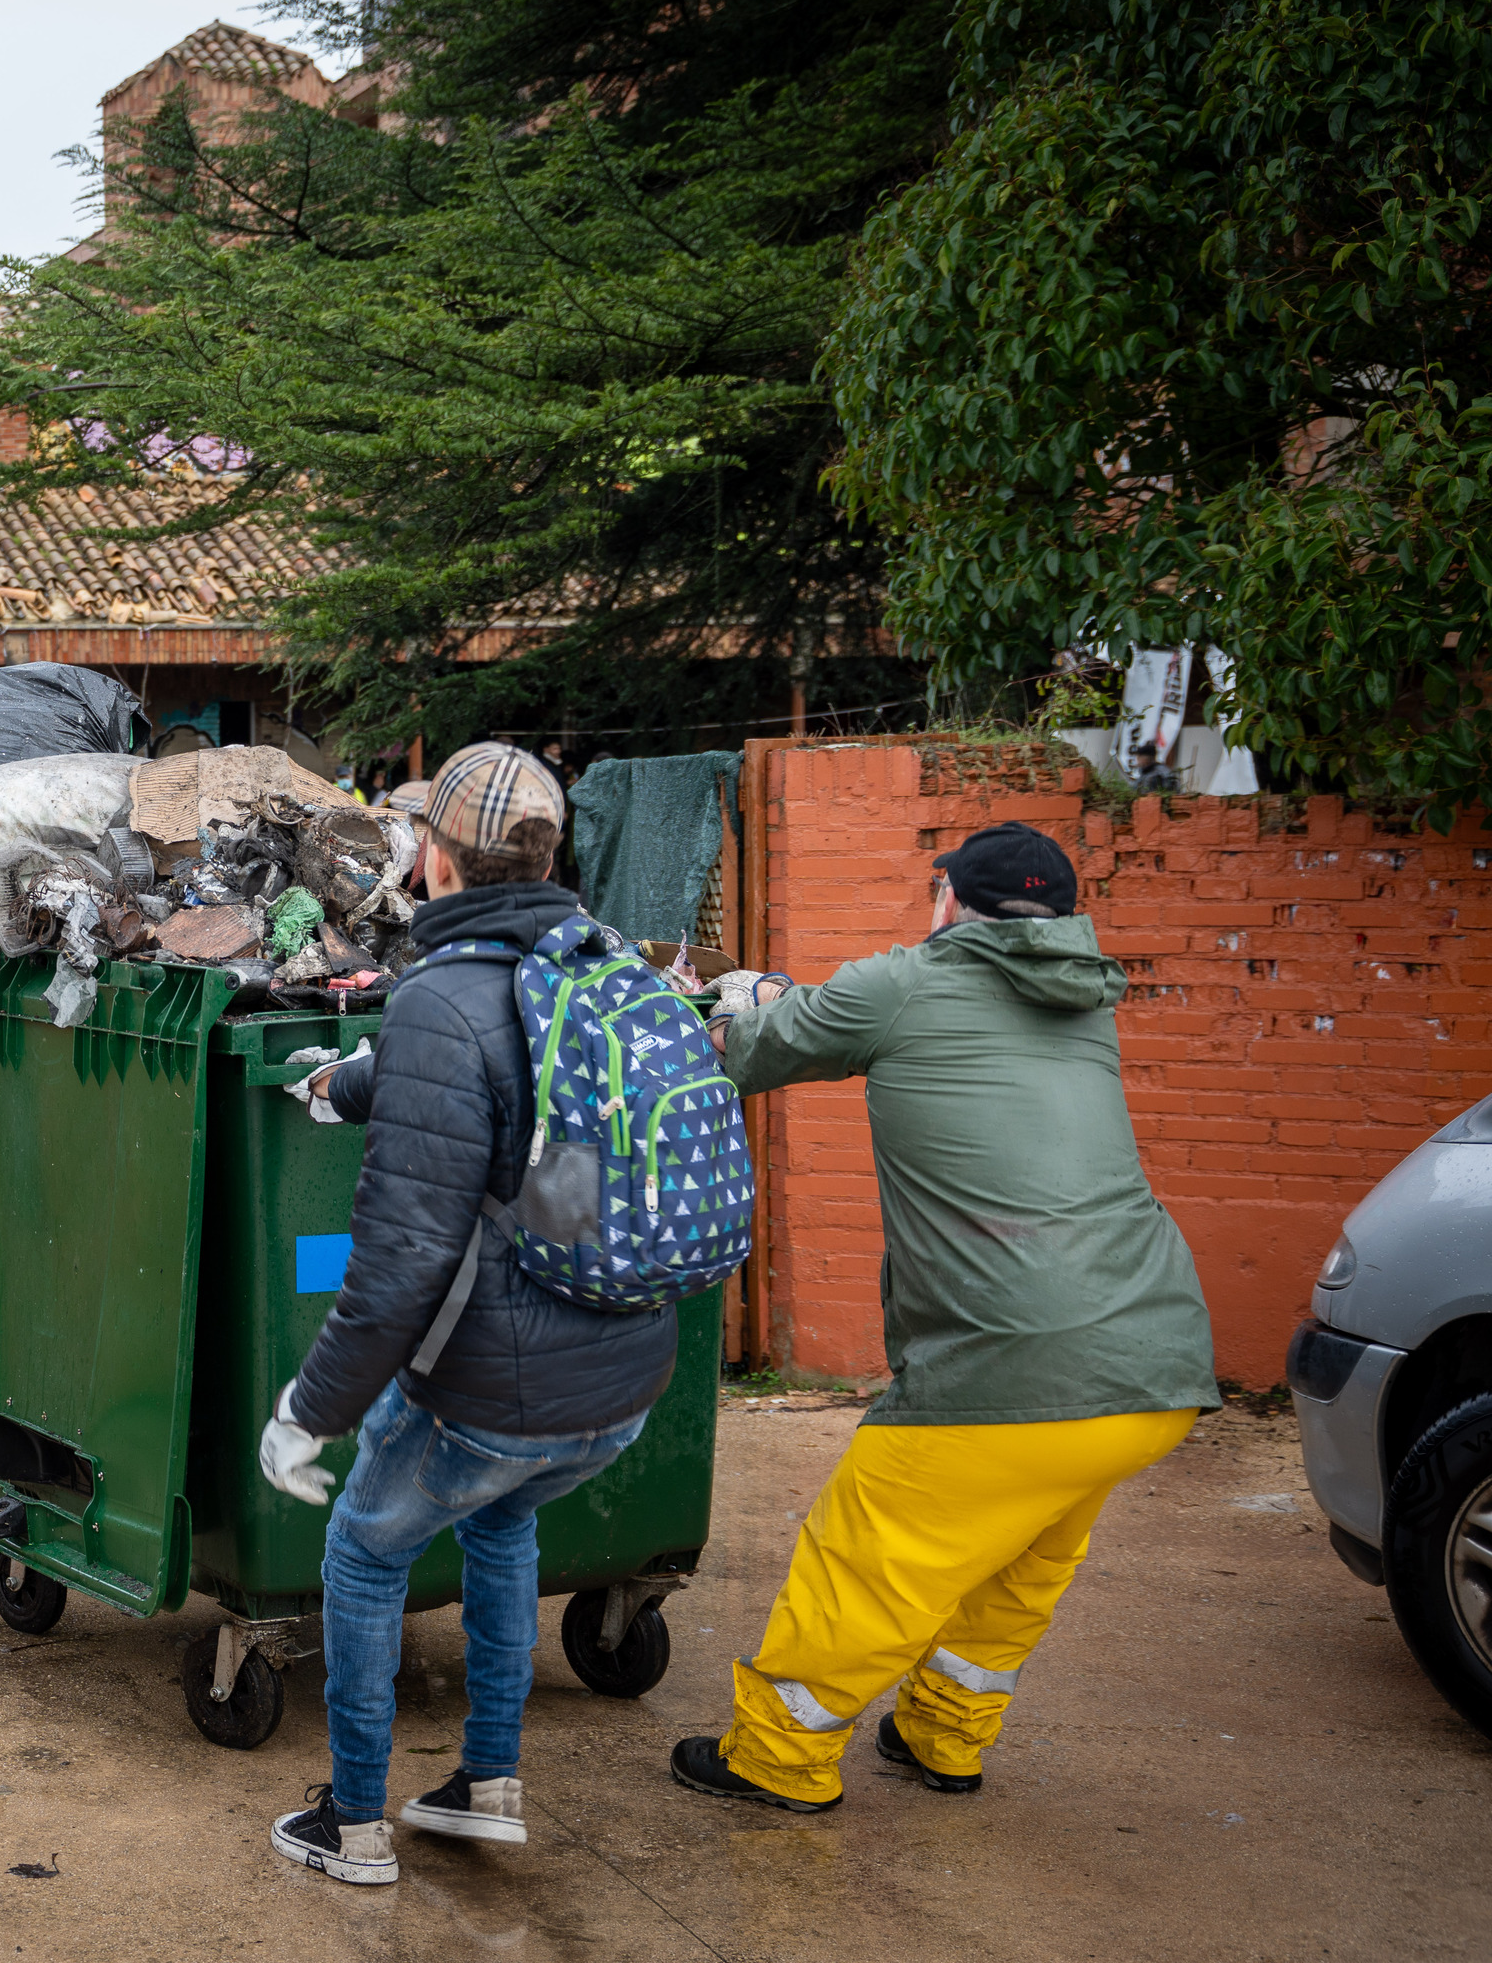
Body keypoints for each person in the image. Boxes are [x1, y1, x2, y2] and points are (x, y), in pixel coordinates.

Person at [670, 820, 1217, 1812]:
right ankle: (943, 1733)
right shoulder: (1086, 999)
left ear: (949, 898)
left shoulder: (904, 981)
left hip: (1009, 1358)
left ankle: (777, 1753)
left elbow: (738, 1054)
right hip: (1151, 1359)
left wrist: (737, 1002)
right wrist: (807, 1002)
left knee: (867, 1550)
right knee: (1023, 1559)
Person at [259, 742, 681, 1886]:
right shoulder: (603, 967)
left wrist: (310, 1407)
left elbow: (399, 1261)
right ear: (547, 856)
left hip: (497, 1392)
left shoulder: (443, 995)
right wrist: (337, 1083)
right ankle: (485, 1782)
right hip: (621, 1382)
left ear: (437, 860)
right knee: (499, 1524)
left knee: (361, 1548)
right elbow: (483, 1079)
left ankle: (350, 1825)